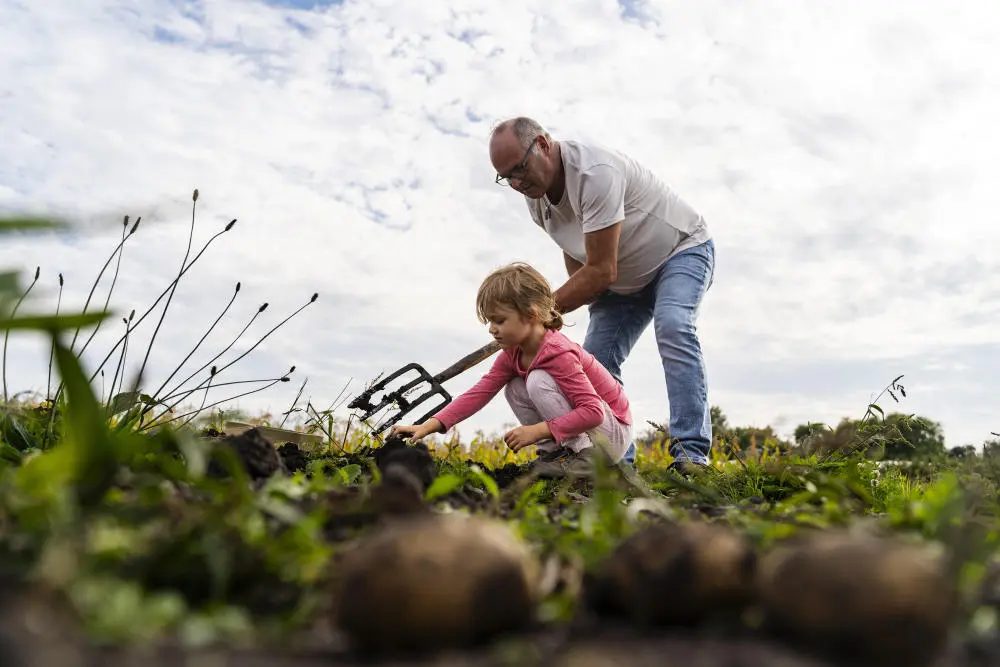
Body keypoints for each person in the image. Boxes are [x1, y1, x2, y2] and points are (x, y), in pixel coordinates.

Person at [487, 117, 716, 472]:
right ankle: (612, 463)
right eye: (507, 177)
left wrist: (534, 317)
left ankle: (691, 455)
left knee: (673, 327)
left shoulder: (595, 173)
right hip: (621, 279)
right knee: (594, 359)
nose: (516, 182)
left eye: (519, 168)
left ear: (544, 145)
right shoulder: (536, 197)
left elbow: (600, 271)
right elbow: (574, 247)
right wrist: (547, 321)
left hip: (679, 251)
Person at [390, 262, 634, 478]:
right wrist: (430, 425)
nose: (492, 330)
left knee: (537, 380)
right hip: (590, 428)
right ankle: (554, 454)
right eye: (489, 322)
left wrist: (538, 431)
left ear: (531, 315)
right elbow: (480, 392)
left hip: (611, 435)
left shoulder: (559, 353)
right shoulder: (513, 353)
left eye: (499, 321)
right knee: (515, 387)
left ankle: (583, 455)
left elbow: (593, 413)